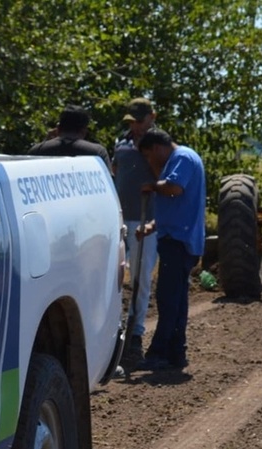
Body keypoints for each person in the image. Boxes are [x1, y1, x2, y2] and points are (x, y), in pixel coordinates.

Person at [135, 128, 206, 371]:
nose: (149, 161)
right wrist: (153, 226)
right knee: (176, 299)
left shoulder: (182, 159)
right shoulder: (181, 159)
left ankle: (159, 353)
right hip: (177, 237)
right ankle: (176, 352)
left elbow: (175, 189)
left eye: (147, 155)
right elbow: (177, 207)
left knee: (168, 299)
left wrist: (152, 186)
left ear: (156, 147)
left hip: (179, 241)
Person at [112, 98, 159, 366]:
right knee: (118, 276)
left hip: (145, 221)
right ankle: (115, 331)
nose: (136, 127)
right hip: (120, 217)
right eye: (132, 122)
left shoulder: (158, 146)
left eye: (140, 121)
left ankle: (136, 335)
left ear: (152, 117)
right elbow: (115, 173)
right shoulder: (121, 143)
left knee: (141, 278)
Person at [28, 104, 111, 169]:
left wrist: (45, 142)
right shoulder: (96, 153)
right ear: (84, 131)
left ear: (58, 128)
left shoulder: (37, 151)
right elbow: (109, 184)